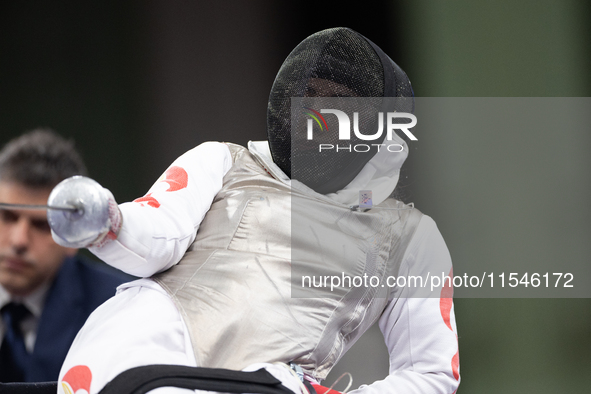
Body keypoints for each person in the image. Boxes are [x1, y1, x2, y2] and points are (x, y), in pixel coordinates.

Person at [54, 28, 460, 393]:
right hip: (148, 349)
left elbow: (431, 374)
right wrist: (108, 221)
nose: (313, 114)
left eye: (337, 101)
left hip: (265, 383)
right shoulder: (224, 162)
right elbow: (159, 227)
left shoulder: (410, 237)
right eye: (308, 95)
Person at [0, 129, 130, 383]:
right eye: (7, 217)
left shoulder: (115, 308)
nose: (19, 241)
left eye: (42, 225)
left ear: (75, 237)